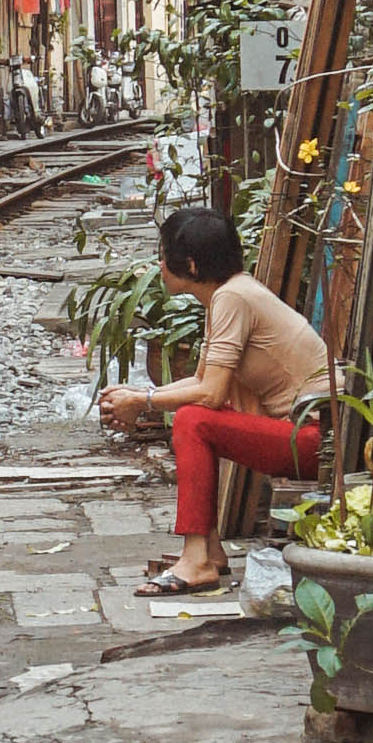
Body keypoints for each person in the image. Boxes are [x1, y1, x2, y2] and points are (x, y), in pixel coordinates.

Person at [139, 198, 331, 594]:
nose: (159, 265)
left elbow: (209, 394)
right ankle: (209, 551)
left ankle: (196, 561)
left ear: (190, 266)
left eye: (164, 256)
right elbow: (202, 379)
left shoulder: (232, 298)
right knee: (193, 413)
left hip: (317, 441)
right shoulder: (228, 294)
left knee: (194, 418)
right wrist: (140, 395)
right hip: (301, 432)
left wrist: (143, 402)